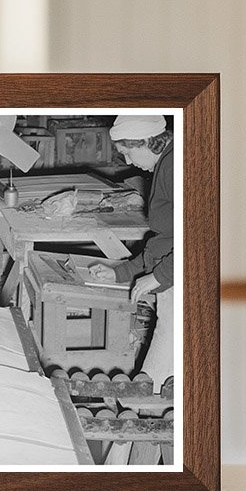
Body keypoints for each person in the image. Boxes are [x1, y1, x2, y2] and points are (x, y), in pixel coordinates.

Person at [89, 114, 174, 385]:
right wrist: (121, 272)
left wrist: (159, 276)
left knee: (157, 375)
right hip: (174, 276)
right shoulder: (167, 162)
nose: (127, 162)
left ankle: (140, 405)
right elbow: (166, 241)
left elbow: (202, 238)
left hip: (181, 279)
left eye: (128, 152)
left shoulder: (176, 166)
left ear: (146, 141)